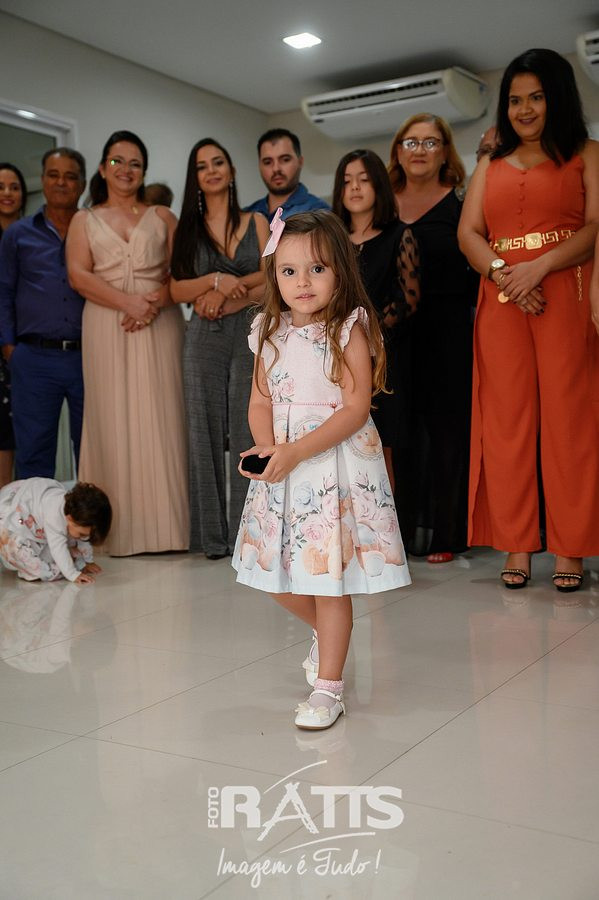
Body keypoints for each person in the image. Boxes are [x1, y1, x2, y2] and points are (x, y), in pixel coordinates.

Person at [232, 210, 411, 729]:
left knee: (330, 581)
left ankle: (328, 688)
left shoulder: (348, 328)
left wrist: (298, 450)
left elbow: (354, 409)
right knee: (272, 575)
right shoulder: (266, 330)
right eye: (289, 271)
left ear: (340, 271)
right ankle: (327, 635)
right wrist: (269, 449)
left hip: (333, 465)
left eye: (317, 269)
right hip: (284, 468)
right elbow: (260, 402)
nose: (303, 282)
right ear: (274, 275)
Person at [458, 48, 599, 592]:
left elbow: (594, 227)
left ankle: (571, 549)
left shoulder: (586, 152)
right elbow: (469, 233)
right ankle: (516, 544)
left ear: (557, 97)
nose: (524, 109)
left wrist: (538, 268)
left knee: (570, 422)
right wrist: (503, 274)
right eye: (515, 99)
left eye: (536, 97)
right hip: (503, 301)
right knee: (507, 423)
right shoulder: (489, 164)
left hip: (565, 292)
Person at [67, 130, 189, 556]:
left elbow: (183, 273)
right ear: (103, 168)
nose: (126, 169)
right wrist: (128, 303)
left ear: (144, 171)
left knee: (163, 415)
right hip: (106, 324)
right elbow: (78, 276)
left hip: (161, 324)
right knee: (111, 417)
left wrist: (151, 305)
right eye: (117, 161)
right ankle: (110, 531)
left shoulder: (163, 216)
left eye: (135, 163)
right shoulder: (84, 220)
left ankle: (171, 529)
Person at [170, 138, 269, 559]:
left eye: (218, 162)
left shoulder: (257, 221)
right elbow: (176, 289)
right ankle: (212, 538)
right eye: (202, 166)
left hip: (249, 331)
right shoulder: (186, 229)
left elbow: (271, 278)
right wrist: (213, 281)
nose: (211, 170)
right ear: (194, 177)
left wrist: (229, 294)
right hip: (203, 337)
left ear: (231, 171)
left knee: (249, 429)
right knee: (203, 431)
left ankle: (249, 535)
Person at [388, 114, 478, 563]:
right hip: (395, 335)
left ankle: (446, 535)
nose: (419, 150)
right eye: (411, 142)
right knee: (400, 433)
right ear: (397, 151)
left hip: (448, 331)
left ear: (444, 151)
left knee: (447, 434)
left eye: (430, 142)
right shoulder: (383, 202)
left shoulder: (461, 202)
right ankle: (402, 532)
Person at [332, 148, 419, 493]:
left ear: (379, 185)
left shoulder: (400, 234)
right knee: (340, 448)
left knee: (380, 448)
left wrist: (364, 335)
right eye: (347, 181)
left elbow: (408, 300)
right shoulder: (332, 241)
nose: (354, 187)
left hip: (385, 360)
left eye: (364, 180)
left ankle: (385, 525)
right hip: (335, 356)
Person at [0, 149, 87, 480]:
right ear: (43, 180)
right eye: (53, 175)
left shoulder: (93, 229)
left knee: (93, 452)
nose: (61, 182)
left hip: (87, 358)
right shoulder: (18, 234)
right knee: (34, 455)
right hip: (33, 359)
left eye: (70, 176)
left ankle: (89, 516)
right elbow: (4, 292)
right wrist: (10, 347)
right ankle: (33, 517)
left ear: (82, 184)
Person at [0, 477, 111, 583]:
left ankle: (62, 564)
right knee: (19, 552)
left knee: (70, 540)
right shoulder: (55, 515)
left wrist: (88, 561)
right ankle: (48, 570)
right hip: (9, 520)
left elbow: (84, 540)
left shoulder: (75, 511)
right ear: (70, 518)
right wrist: (72, 574)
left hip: (32, 513)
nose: (83, 537)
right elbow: (58, 547)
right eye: (81, 534)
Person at [0, 163, 27, 487]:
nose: (7, 193)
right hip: (4, 346)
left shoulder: (32, 235)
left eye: (14, 187)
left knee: (24, 432)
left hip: (28, 346)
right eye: (1, 187)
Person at [245, 128, 329, 222]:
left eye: (285, 160)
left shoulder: (319, 213)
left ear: (300, 162)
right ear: (259, 166)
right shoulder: (246, 215)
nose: (276, 169)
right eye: (268, 162)